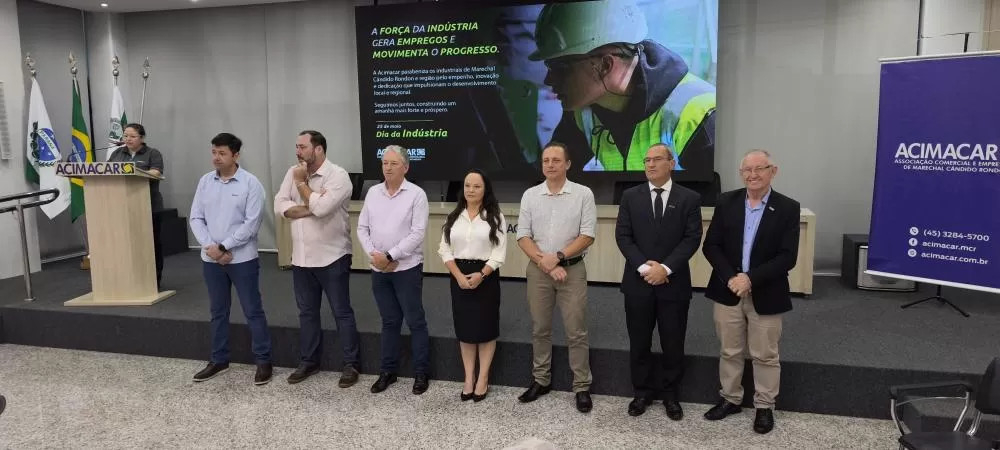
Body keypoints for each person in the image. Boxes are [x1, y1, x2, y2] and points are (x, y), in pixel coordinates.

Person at [530, 0, 716, 174]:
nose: (549, 79)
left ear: (605, 66)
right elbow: (549, 177)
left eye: (560, 68)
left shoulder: (697, 115)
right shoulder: (582, 112)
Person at [701, 150, 801, 434]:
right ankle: (730, 399)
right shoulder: (726, 202)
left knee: (765, 354)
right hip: (727, 289)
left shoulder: (788, 208)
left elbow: (787, 256)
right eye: (747, 169)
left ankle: (764, 406)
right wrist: (732, 277)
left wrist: (750, 279)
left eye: (760, 168)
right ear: (741, 172)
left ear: (773, 171)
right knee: (729, 349)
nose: (753, 174)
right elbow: (712, 246)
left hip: (766, 291)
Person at [614, 143, 702, 420]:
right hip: (637, 282)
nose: (650, 165)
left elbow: (692, 238)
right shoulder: (630, 196)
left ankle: (670, 394)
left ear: (671, 163)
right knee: (639, 340)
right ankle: (641, 392)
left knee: (673, 341)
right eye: (647, 160)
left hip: (673, 283)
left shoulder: (689, 198)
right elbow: (623, 237)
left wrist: (664, 268)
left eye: (657, 159)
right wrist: (644, 267)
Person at [274, 130, 361, 388]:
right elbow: (280, 204)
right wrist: (307, 208)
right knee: (307, 313)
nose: (298, 151)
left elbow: (323, 209)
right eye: (297, 146)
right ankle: (309, 361)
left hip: (332, 256)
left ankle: (351, 364)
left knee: (341, 312)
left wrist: (301, 186)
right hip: (301, 258)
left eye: (302, 147)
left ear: (319, 149)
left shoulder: (339, 176)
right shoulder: (293, 171)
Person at [515, 141, 597, 413]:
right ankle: (541, 380)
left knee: (576, 330)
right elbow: (523, 236)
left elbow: (587, 235)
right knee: (540, 328)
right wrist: (546, 262)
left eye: (556, 160)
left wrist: (558, 257)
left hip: (572, 270)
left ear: (568, 164)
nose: (550, 165)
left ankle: (581, 386)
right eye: (546, 160)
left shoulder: (583, 194)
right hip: (538, 270)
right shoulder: (530, 195)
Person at [189, 132, 273, 386]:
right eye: (214, 152)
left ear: (236, 155)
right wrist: (210, 247)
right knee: (217, 311)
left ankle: (263, 361)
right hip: (211, 259)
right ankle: (219, 359)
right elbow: (196, 218)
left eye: (222, 153)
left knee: (252, 311)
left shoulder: (250, 184)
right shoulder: (205, 181)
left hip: (242, 259)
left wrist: (225, 246)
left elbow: (252, 224)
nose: (216, 157)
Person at [357, 145, 431, 395]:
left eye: (393, 163)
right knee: (389, 321)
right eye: (385, 163)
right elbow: (362, 228)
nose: (387, 168)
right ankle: (388, 371)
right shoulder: (373, 193)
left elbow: (418, 233)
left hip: (407, 268)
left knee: (415, 321)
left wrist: (391, 255)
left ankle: (421, 372)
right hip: (379, 269)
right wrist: (377, 257)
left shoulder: (416, 194)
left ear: (406, 167)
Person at [437, 169, 507, 402]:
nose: (471, 190)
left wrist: (482, 274)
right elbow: (444, 249)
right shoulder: (454, 216)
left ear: (485, 189)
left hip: (485, 277)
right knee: (466, 332)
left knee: (485, 331)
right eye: (467, 185)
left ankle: (483, 378)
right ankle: (469, 378)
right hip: (459, 277)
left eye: (476, 186)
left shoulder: (495, 216)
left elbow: (499, 253)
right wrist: (457, 275)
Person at [106, 123, 166, 287]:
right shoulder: (117, 153)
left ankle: (154, 280)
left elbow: (156, 172)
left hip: (148, 205)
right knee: (124, 243)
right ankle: (127, 279)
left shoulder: (152, 153)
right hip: (121, 207)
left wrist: (134, 171)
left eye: (132, 136)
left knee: (151, 243)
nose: (128, 139)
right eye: (125, 136)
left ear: (142, 138)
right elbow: (107, 172)